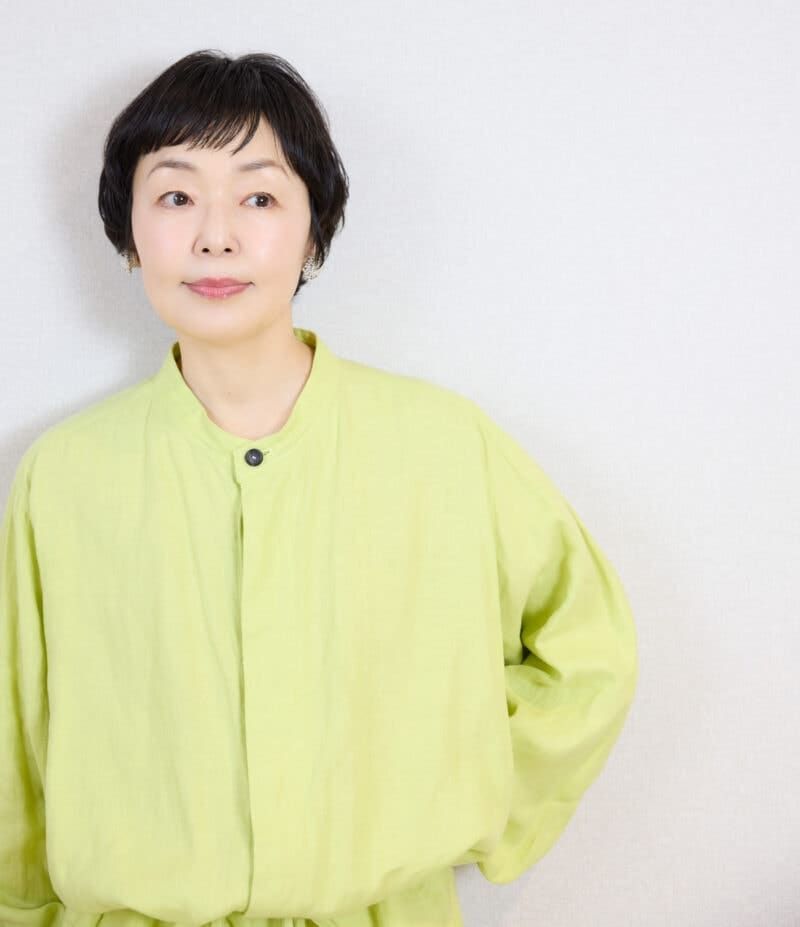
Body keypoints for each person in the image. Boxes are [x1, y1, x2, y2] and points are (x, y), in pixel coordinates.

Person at [0, 49, 639, 927]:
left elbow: (590, 654)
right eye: (176, 196)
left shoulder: (443, 445)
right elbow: (17, 742)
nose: (215, 236)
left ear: (313, 229)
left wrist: (468, 798)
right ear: (128, 231)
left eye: (259, 197)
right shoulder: (67, 473)